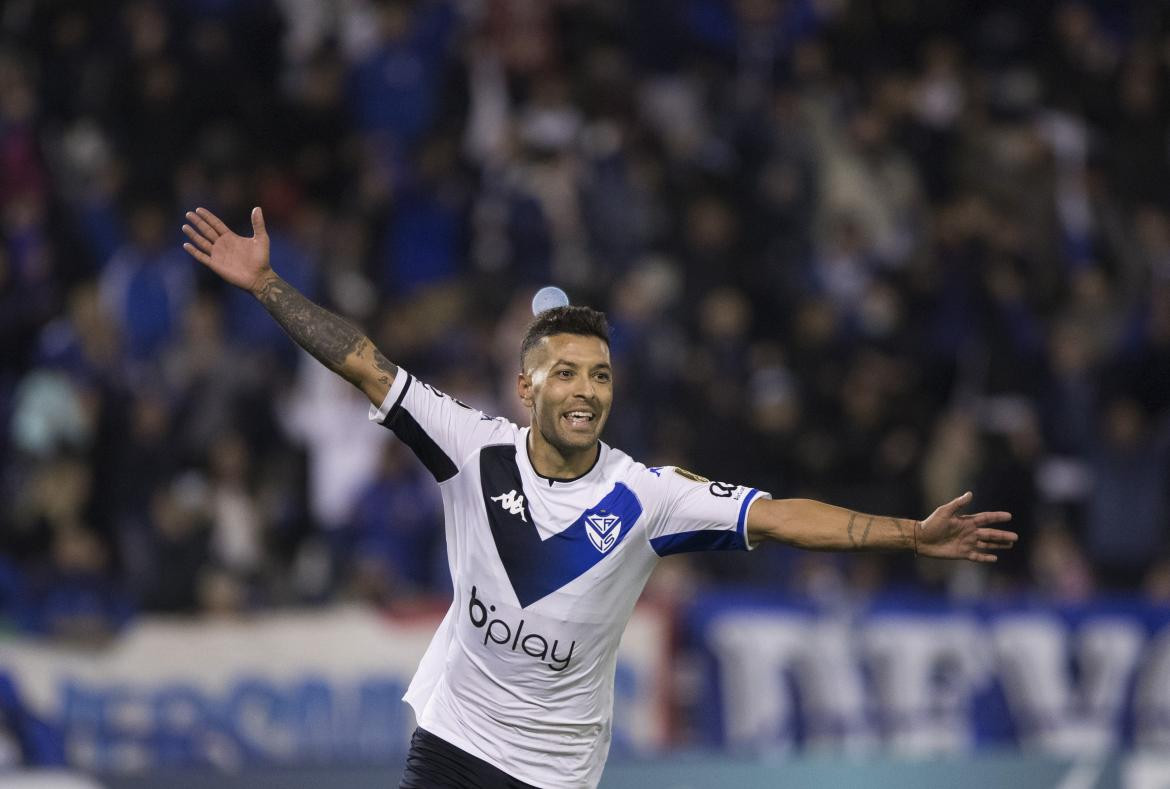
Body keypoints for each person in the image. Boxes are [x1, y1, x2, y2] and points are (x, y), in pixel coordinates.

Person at [181, 206, 1018, 789]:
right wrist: (266, 286)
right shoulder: (472, 449)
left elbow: (781, 516)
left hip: (556, 775)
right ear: (526, 387)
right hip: (453, 745)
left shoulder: (647, 497)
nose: (586, 390)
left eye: (602, 374)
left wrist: (912, 532)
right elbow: (362, 359)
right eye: (567, 373)